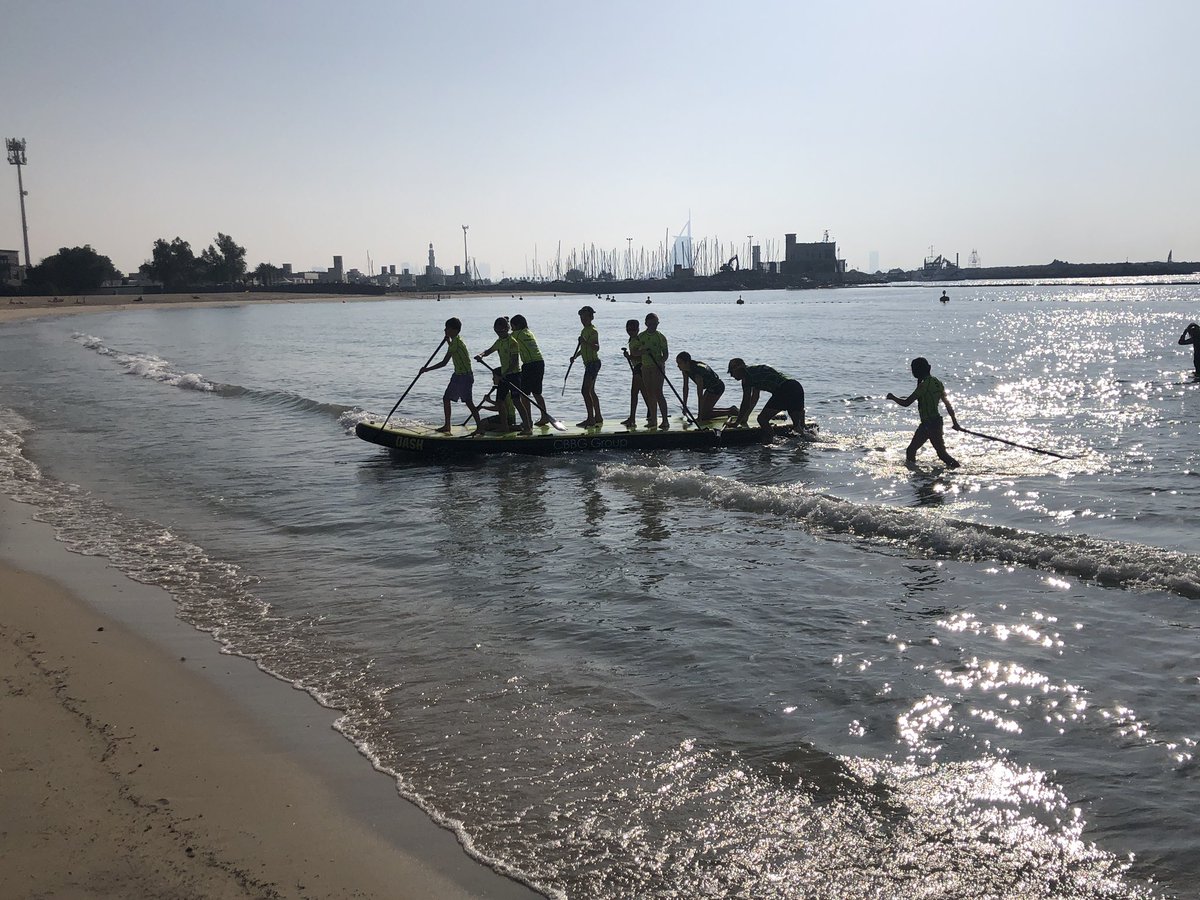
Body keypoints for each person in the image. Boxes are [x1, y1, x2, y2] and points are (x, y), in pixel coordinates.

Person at [886, 356, 961, 469]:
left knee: (941, 454)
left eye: (913, 369)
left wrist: (893, 397)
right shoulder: (937, 383)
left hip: (930, 424)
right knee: (911, 450)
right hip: (933, 422)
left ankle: (958, 470)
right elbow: (948, 405)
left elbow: (907, 403)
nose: (912, 372)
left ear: (917, 371)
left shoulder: (924, 385)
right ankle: (916, 475)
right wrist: (955, 422)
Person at [420, 317, 481, 433]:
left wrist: (426, 369)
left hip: (464, 376)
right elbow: (453, 349)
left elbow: (444, 363)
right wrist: (448, 341)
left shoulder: (456, 342)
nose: (445, 331)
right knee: (446, 398)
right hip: (458, 375)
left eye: (447, 329)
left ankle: (480, 427)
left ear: (454, 330)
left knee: (468, 402)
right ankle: (447, 426)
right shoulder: (456, 341)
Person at [476, 316, 532, 434]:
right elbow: (489, 350)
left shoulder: (513, 342)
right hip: (504, 376)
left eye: (500, 332)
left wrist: (504, 374)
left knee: (516, 401)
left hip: (514, 375)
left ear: (506, 329)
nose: (498, 334)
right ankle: (505, 427)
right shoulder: (499, 342)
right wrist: (481, 355)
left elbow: (514, 362)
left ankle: (527, 428)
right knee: (500, 401)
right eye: (496, 332)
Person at [727, 358, 805, 434]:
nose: (731, 376)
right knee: (798, 427)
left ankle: (771, 442)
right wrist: (745, 417)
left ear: (737, 369)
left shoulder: (746, 377)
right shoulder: (754, 370)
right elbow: (754, 398)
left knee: (762, 419)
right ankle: (808, 439)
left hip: (783, 390)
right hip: (795, 386)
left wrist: (736, 423)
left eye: (731, 372)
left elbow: (745, 403)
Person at [510, 314, 555, 426]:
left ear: (517, 325)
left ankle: (528, 420)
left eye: (512, 326)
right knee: (537, 393)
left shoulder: (517, 334)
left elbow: (505, 337)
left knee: (524, 395)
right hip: (540, 363)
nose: (511, 328)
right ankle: (544, 417)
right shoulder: (529, 332)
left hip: (530, 365)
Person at [677, 351, 737, 420]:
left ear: (687, 362)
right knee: (705, 411)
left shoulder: (697, 372)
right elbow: (685, 388)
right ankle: (730, 409)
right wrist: (684, 406)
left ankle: (731, 411)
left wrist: (700, 417)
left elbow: (700, 395)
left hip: (717, 387)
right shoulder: (685, 369)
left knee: (704, 415)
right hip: (709, 388)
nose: (678, 366)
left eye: (680, 363)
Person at [571, 306, 602, 427]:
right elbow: (583, 348)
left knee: (585, 391)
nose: (583, 320)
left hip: (593, 363)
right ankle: (598, 416)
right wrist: (575, 356)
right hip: (588, 363)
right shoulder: (584, 331)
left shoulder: (593, 331)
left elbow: (596, 347)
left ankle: (590, 418)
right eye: (581, 318)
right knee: (591, 391)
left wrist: (585, 342)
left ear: (591, 317)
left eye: (585, 317)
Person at [639, 312, 670, 429]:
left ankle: (665, 420)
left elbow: (666, 355)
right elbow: (635, 352)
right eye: (651, 324)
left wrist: (660, 362)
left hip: (658, 368)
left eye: (655, 323)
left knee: (658, 393)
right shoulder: (641, 337)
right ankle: (653, 420)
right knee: (649, 393)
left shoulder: (661, 337)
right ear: (646, 323)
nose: (653, 326)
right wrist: (643, 352)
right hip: (646, 367)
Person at [620, 318, 644, 427]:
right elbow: (634, 356)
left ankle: (632, 418)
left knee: (634, 393)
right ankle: (635, 417)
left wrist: (631, 356)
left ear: (638, 329)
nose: (631, 331)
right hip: (637, 367)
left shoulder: (639, 340)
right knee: (642, 393)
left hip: (640, 368)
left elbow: (641, 355)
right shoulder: (632, 340)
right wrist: (629, 356)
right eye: (629, 329)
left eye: (633, 329)